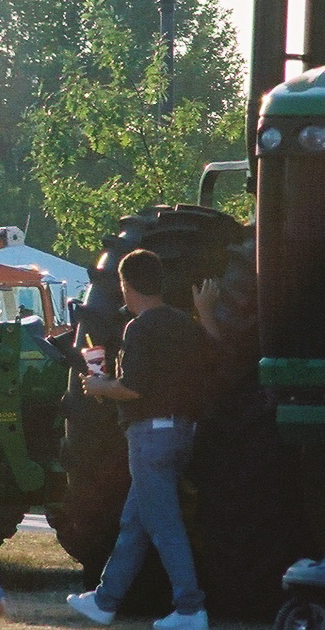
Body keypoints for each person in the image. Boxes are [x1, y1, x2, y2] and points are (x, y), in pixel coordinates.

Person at [67, 249, 209, 630]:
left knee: (163, 523)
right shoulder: (185, 323)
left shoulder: (140, 327)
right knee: (137, 520)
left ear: (125, 285)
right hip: (181, 433)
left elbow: (133, 389)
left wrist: (99, 385)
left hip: (150, 436)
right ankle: (105, 600)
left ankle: (191, 608)